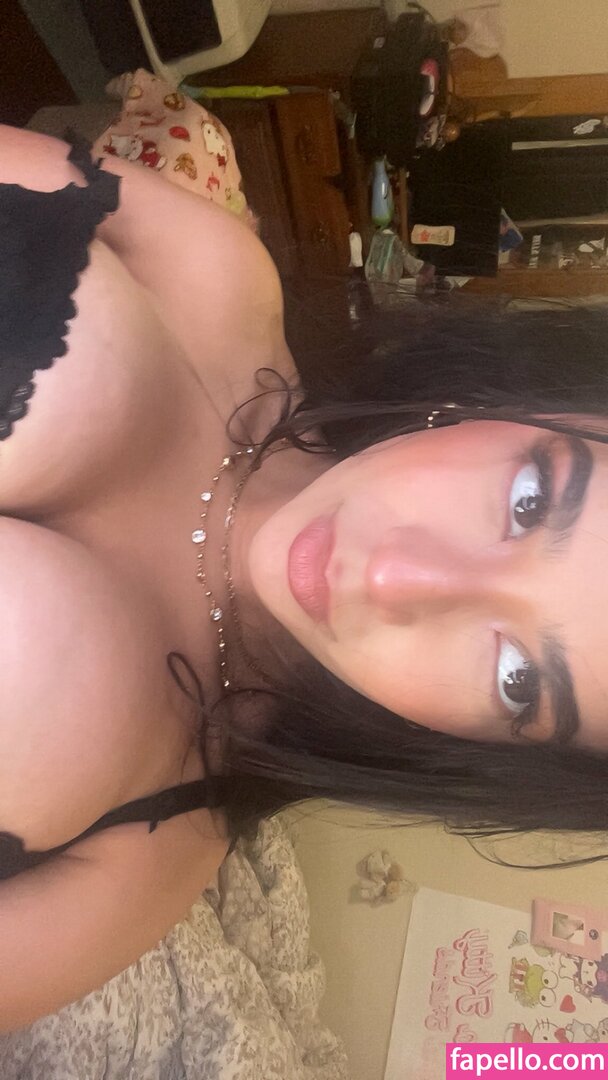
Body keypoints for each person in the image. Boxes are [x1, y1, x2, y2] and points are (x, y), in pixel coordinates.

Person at [1, 123, 608, 1034]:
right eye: (530, 500)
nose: (398, 578)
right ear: (523, 404)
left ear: (494, 752)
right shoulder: (209, 272)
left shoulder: (145, 856)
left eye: (519, 679)